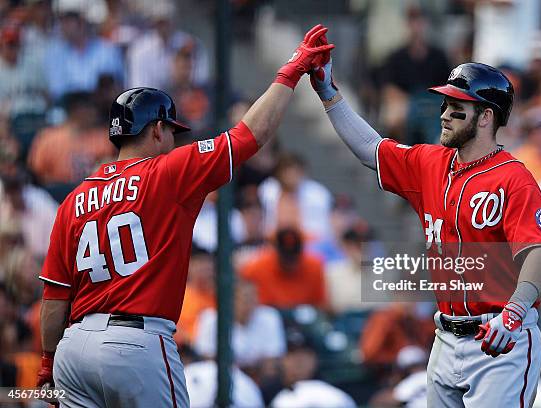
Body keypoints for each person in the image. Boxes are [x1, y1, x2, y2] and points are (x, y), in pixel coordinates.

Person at [35, 24, 334, 407]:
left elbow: (55, 297)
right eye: (172, 129)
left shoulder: (74, 199)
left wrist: (48, 365)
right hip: (136, 342)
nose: (175, 137)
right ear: (157, 129)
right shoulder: (167, 172)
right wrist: (290, 71)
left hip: (74, 350)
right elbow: (249, 137)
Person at [310, 40, 541, 406]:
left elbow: (537, 252)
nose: (444, 114)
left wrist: (514, 313)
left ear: (486, 116)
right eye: (445, 104)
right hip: (445, 336)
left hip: (500, 337)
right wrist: (329, 94)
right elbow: (370, 150)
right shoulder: (431, 162)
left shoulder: (513, 178)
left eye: (457, 108)